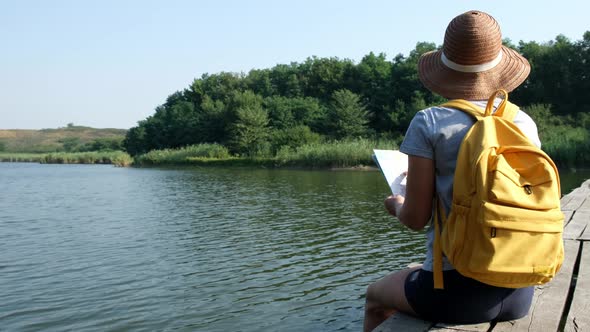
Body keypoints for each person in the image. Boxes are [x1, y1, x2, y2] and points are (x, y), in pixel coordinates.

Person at [364, 10, 541, 331]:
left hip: (455, 295)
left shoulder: (429, 121)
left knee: (375, 296)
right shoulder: (523, 122)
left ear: (445, 69)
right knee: (417, 268)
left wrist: (396, 203)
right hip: (520, 288)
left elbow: (415, 219)